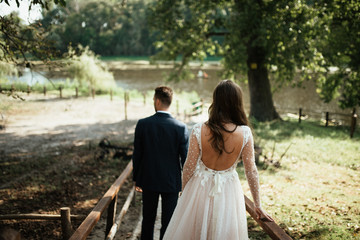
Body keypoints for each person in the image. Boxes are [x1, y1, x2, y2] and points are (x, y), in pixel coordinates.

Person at [163, 80, 273, 239]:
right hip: (228, 191)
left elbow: (188, 167)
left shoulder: (199, 129)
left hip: (198, 189)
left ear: (216, 101)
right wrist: (258, 205)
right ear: (237, 103)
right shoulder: (245, 133)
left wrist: (185, 194)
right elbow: (251, 170)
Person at [132, 86, 189, 240]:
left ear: (157, 101)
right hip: (171, 181)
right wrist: (186, 182)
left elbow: (137, 154)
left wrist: (136, 177)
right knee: (169, 221)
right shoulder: (181, 127)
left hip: (149, 179)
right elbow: (185, 158)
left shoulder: (143, 124)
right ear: (169, 102)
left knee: (148, 219)